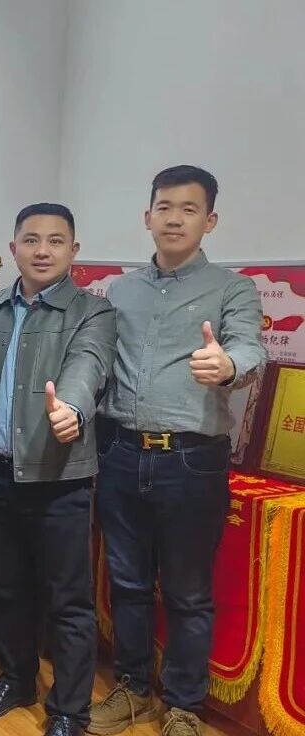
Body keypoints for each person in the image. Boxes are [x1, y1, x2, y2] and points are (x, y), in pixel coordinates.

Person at [88, 166, 266, 736]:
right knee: (128, 583)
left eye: (189, 209)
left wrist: (228, 364)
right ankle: (134, 689)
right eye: (164, 207)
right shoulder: (121, 291)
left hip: (191, 461)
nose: (174, 218)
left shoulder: (232, 289)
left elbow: (249, 348)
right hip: (121, 453)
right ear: (148, 217)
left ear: (210, 220)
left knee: (188, 592)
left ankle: (185, 705)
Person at [0, 203, 117, 736]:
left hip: (59, 479)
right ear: (14, 247)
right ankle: (16, 679)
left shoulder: (93, 312)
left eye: (56, 240)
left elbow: (88, 366)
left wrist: (71, 409)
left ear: (74, 250)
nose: (42, 250)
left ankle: (69, 708)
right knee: (6, 588)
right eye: (31, 239)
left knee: (69, 600)